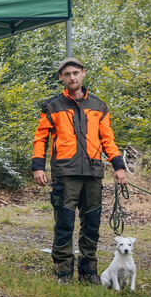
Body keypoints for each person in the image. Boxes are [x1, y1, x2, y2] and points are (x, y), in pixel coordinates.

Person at [32, 57, 127, 284]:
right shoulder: (52, 106)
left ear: (83, 73)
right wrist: (38, 167)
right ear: (61, 78)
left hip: (94, 173)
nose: (72, 77)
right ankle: (64, 272)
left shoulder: (99, 106)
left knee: (91, 224)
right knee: (64, 223)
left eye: (75, 73)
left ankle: (88, 272)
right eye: (67, 74)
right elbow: (40, 138)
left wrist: (119, 166)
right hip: (65, 173)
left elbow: (108, 139)